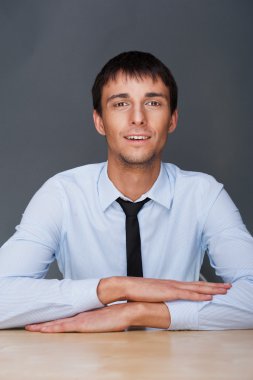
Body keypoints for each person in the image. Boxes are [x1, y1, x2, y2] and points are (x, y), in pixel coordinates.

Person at [0, 51, 252, 332]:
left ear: (172, 119)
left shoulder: (204, 194)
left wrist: (139, 312)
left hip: (180, 366)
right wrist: (115, 287)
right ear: (99, 121)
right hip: (86, 366)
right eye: (121, 104)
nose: (138, 118)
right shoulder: (62, 195)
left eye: (153, 103)